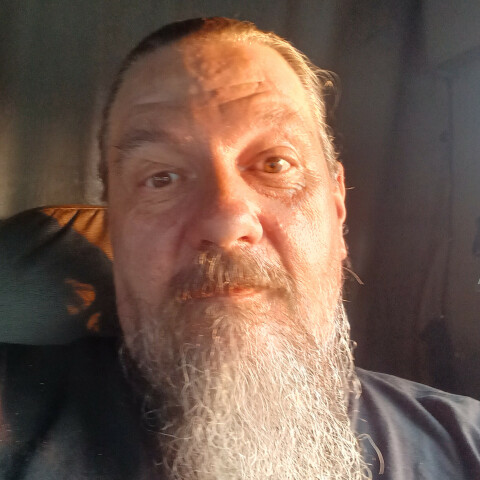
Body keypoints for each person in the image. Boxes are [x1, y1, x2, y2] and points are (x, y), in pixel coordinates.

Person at [1, 16, 480, 480]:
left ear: (337, 206)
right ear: (116, 225)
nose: (226, 220)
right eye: (161, 178)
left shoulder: (467, 443)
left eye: (275, 164)